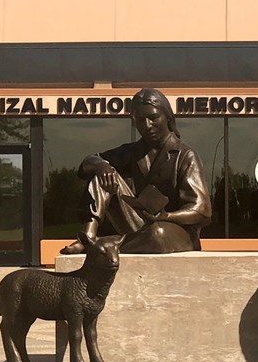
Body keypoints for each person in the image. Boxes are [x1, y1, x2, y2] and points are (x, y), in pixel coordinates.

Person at [61, 88, 211, 254]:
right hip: (140, 224)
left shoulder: (186, 155)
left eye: (153, 118)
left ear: (167, 117)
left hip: (176, 230)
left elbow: (202, 210)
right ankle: (88, 237)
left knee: (157, 234)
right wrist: (101, 166)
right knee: (104, 172)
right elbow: (87, 164)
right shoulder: (134, 151)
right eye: (140, 120)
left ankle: (106, 245)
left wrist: (165, 216)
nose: (147, 126)